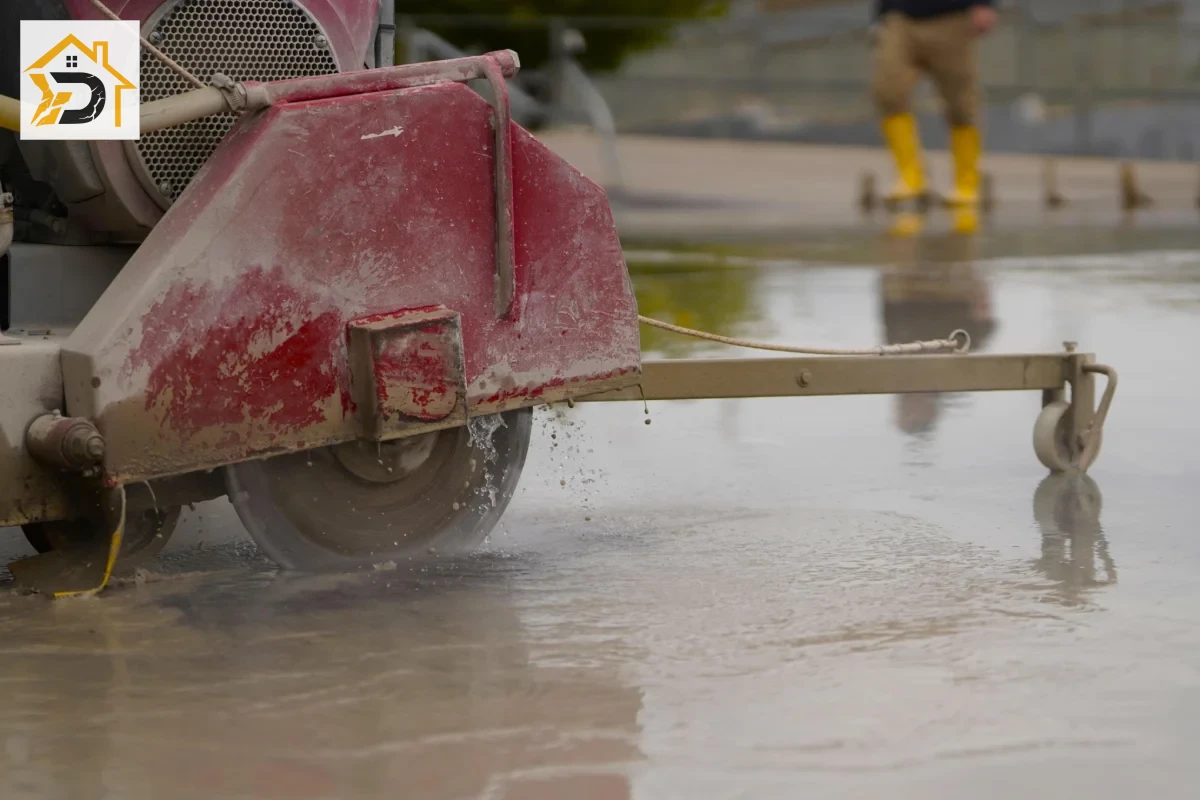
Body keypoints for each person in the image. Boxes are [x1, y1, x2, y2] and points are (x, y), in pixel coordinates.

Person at [872, 0, 998, 208]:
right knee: (888, 91)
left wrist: (985, 4)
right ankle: (910, 177)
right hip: (900, 17)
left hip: (951, 16)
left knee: (960, 103)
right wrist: (879, 15)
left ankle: (966, 183)